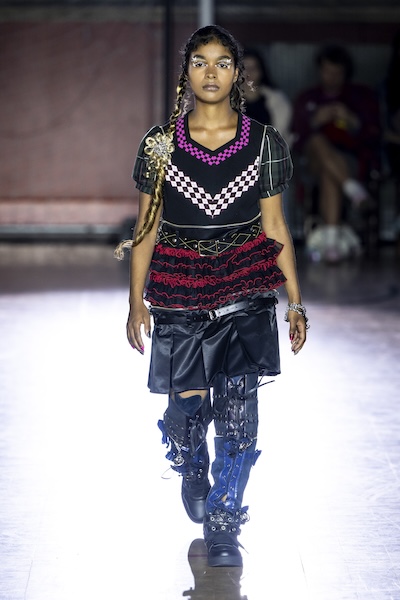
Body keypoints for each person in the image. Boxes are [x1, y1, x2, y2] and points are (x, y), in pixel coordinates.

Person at [115, 25, 307, 568]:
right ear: (186, 72)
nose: (211, 73)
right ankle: (191, 460)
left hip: (245, 283)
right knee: (187, 407)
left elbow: (275, 226)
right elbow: (146, 228)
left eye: (223, 63)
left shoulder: (264, 142)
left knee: (239, 412)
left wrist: (295, 301)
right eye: (200, 62)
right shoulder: (160, 144)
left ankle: (224, 521)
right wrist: (135, 302)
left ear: (237, 74)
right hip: (179, 288)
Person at [292, 44, 380, 263]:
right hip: (311, 161)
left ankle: (331, 244)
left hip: (349, 160)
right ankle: (354, 191)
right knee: (317, 141)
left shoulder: (361, 97)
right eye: (327, 71)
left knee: (329, 172)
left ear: (346, 73)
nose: (332, 77)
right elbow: (295, 137)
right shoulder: (307, 98)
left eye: (337, 72)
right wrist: (315, 121)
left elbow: (374, 134)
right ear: (319, 71)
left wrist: (352, 120)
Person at [242, 48, 293, 145]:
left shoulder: (277, 99)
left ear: (261, 71)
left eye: (253, 68)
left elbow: (281, 133)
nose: (249, 73)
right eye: (244, 68)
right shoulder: (226, 100)